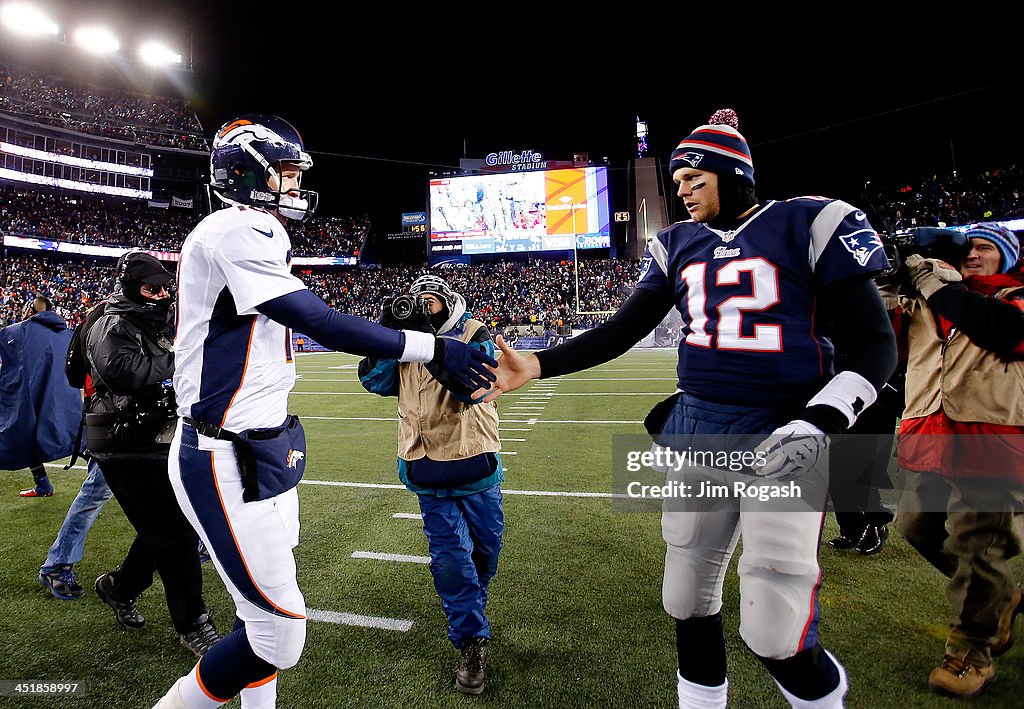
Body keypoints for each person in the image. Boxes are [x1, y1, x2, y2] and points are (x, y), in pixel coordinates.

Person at [486, 109, 897, 708]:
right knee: (685, 595)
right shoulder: (675, 243)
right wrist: (540, 363)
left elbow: (874, 345)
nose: (679, 189)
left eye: (691, 177)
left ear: (731, 173)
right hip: (698, 429)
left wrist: (822, 419)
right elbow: (623, 328)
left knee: (775, 625)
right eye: (675, 180)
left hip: (783, 433)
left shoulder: (809, 221)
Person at [154, 114, 496, 709]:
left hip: (263, 448)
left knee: (255, 619)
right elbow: (321, 321)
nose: (294, 186)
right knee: (280, 633)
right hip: (220, 452)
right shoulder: (234, 228)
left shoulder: (258, 233)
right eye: (284, 174)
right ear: (247, 175)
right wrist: (433, 344)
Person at [891, 223, 1024, 697]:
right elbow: (875, 319)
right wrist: (888, 270)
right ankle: (998, 597)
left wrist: (929, 281)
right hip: (928, 428)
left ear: (1006, 257)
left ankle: (972, 654)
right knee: (914, 527)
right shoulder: (930, 295)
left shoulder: (1013, 295)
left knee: (978, 547)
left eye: (984, 248)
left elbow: (1002, 330)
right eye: (966, 248)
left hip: (991, 435)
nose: (971, 255)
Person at [359, 274, 504, 695]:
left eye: (430, 301)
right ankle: (471, 640)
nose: (423, 307)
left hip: (473, 461)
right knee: (451, 559)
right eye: (416, 301)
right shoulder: (404, 340)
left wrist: (431, 346)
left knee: (486, 551)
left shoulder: (476, 332)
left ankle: (470, 608)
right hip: (425, 464)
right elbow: (376, 382)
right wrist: (388, 336)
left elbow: (473, 387)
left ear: (448, 301)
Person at [85, 251, 221, 657]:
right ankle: (193, 623)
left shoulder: (154, 319)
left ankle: (119, 587)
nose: (163, 295)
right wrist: (182, 358)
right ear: (131, 287)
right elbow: (124, 372)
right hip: (121, 443)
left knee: (168, 526)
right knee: (175, 532)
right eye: (153, 288)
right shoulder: (110, 322)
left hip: (153, 436)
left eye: (167, 287)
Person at [0, 296, 82, 497]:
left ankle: (43, 483)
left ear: (29, 311)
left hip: (30, 394)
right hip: (65, 395)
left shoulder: (17, 331)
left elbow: (11, 367)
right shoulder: (68, 333)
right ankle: (106, 476)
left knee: (23, 434)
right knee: (77, 437)